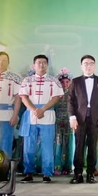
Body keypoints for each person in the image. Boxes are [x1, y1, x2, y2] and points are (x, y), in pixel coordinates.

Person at [19, 55, 64, 183]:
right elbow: (23, 97)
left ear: (47, 65)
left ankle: (47, 173)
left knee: (47, 146)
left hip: (47, 115)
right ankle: (28, 173)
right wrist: (34, 110)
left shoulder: (53, 80)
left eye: (44, 62)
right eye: (39, 62)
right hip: (31, 116)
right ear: (34, 65)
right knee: (29, 146)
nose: (41, 65)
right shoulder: (27, 80)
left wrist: (43, 109)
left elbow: (56, 97)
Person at [68, 55, 98, 184]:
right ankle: (78, 174)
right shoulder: (75, 81)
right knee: (79, 146)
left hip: (95, 119)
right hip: (79, 118)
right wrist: (72, 117)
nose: (88, 66)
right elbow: (70, 101)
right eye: (86, 63)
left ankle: (91, 173)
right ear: (81, 66)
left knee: (92, 146)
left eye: (91, 63)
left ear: (94, 66)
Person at [0, 51, 21, 156]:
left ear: (8, 62)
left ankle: (5, 165)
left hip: (7, 116)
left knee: (5, 143)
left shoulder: (15, 78)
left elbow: (18, 98)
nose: (1, 63)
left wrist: (15, 115)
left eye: (4, 61)